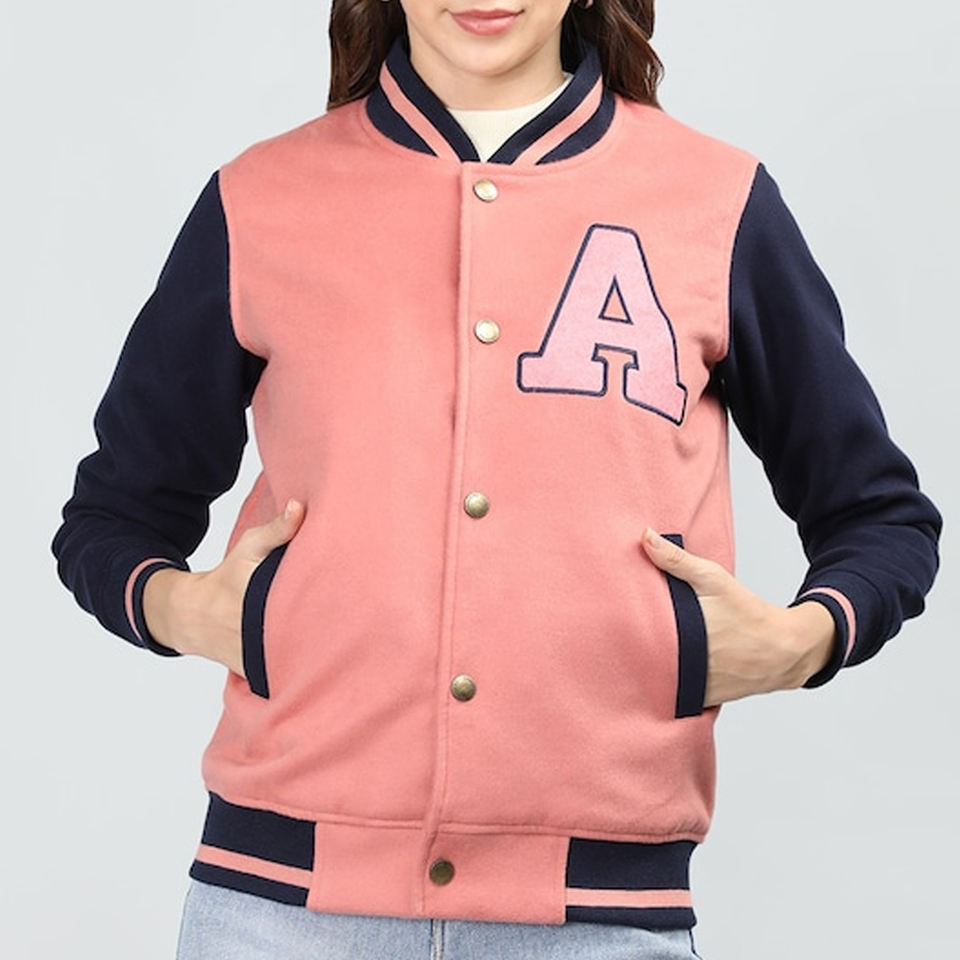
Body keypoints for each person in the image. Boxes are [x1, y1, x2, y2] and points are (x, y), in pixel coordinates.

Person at [50, 0, 942, 958]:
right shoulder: (261, 198)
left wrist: (803, 640)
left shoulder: (715, 201)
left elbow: (879, 516)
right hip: (276, 911)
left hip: (602, 921)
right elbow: (112, 516)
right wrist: (187, 610)